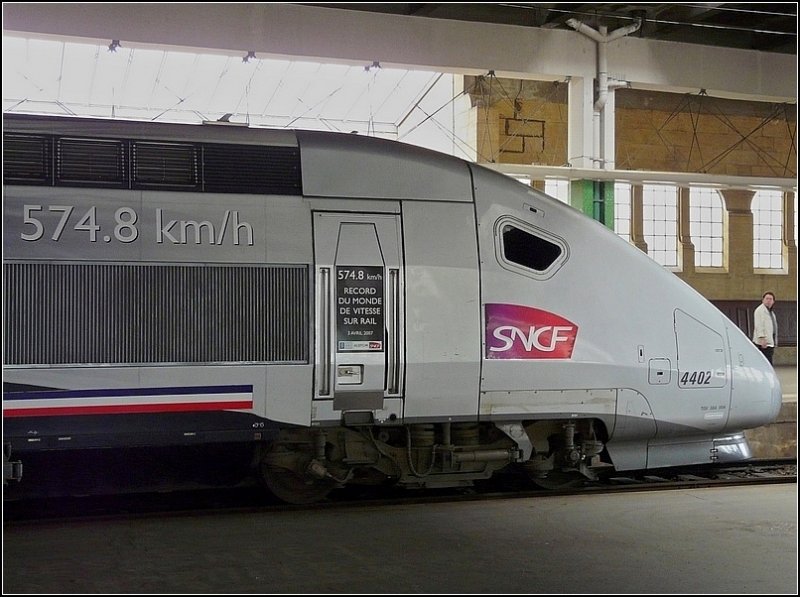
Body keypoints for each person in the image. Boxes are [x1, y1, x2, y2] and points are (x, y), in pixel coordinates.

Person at [753, 291, 778, 365]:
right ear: (763, 300)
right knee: (766, 362)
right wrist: (762, 338)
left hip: (770, 341)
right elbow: (758, 325)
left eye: (770, 299)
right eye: (767, 299)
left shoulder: (771, 312)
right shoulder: (760, 310)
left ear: (773, 301)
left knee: (768, 361)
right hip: (764, 342)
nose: (768, 301)